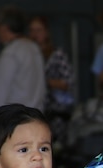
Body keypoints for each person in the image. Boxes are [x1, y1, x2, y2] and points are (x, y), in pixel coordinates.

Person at [28, 14, 76, 150]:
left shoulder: (57, 55)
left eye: (39, 30)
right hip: (35, 109)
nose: (35, 34)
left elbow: (69, 82)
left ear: (46, 32)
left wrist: (45, 82)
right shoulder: (28, 55)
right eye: (32, 30)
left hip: (56, 113)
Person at [0, 6, 45, 114]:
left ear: (5, 27)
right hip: (36, 118)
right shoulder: (34, 48)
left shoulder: (11, 53)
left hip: (14, 121)